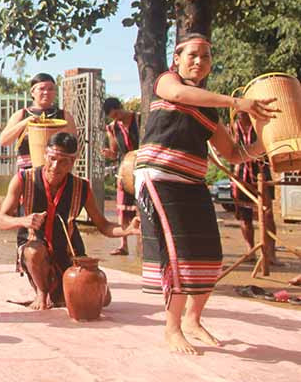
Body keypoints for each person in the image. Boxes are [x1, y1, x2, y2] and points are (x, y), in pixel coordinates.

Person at [133, 33, 276, 355]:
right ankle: (171, 329)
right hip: (159, 177)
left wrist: (271, 141)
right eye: (193, 55)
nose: (199, 62)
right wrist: (237, 102)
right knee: (179, 254)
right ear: (177, 59)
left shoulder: (209, 110)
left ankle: (193, 320)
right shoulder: (167, 81)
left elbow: (234, 153)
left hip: (192, 183)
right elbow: (180, 93)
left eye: (206, 57)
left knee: (210, 255)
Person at [0, 132, 140, 310]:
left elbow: (103, 225)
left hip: (69, 253)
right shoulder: (23, 179)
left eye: (63, 161)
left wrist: (127, 230)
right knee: (34, 251)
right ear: (45, 155)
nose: (55, 166)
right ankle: (41, 294)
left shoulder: (82, 186)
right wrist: (24, 221)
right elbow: (1, 220)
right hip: (35, 250)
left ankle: (60, 292)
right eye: (52, 158)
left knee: (102, 299)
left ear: (72, 162)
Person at [0, 73, 77, 170]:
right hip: (28, 171)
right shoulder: (21, 115)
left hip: (56, 171)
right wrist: (25, 123)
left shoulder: (64, 116)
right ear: (32, 92)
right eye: (42, 89)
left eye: (50, 89)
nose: (46, 92)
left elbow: (75, 146)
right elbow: (4, 141)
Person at [231, 112, 281, 265]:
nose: (239, 114)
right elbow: (231, 148)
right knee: (245, 216)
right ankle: (250, 250)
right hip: (240, 175)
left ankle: (270, 254)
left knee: (267, 214)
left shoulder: (260, 125)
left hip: (261, 173)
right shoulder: (234, 126)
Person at [101, 97, 140, 255]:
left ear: (121, 107)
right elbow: (114, 152)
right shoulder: (112, 128)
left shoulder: (139, 118)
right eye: (113, 116)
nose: (116, 118)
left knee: (142, 207)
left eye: (117, 114)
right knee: (123, 208)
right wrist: (109, 154)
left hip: (142, 165)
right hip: (125, 169)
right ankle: (123, 245)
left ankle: (143, 243)